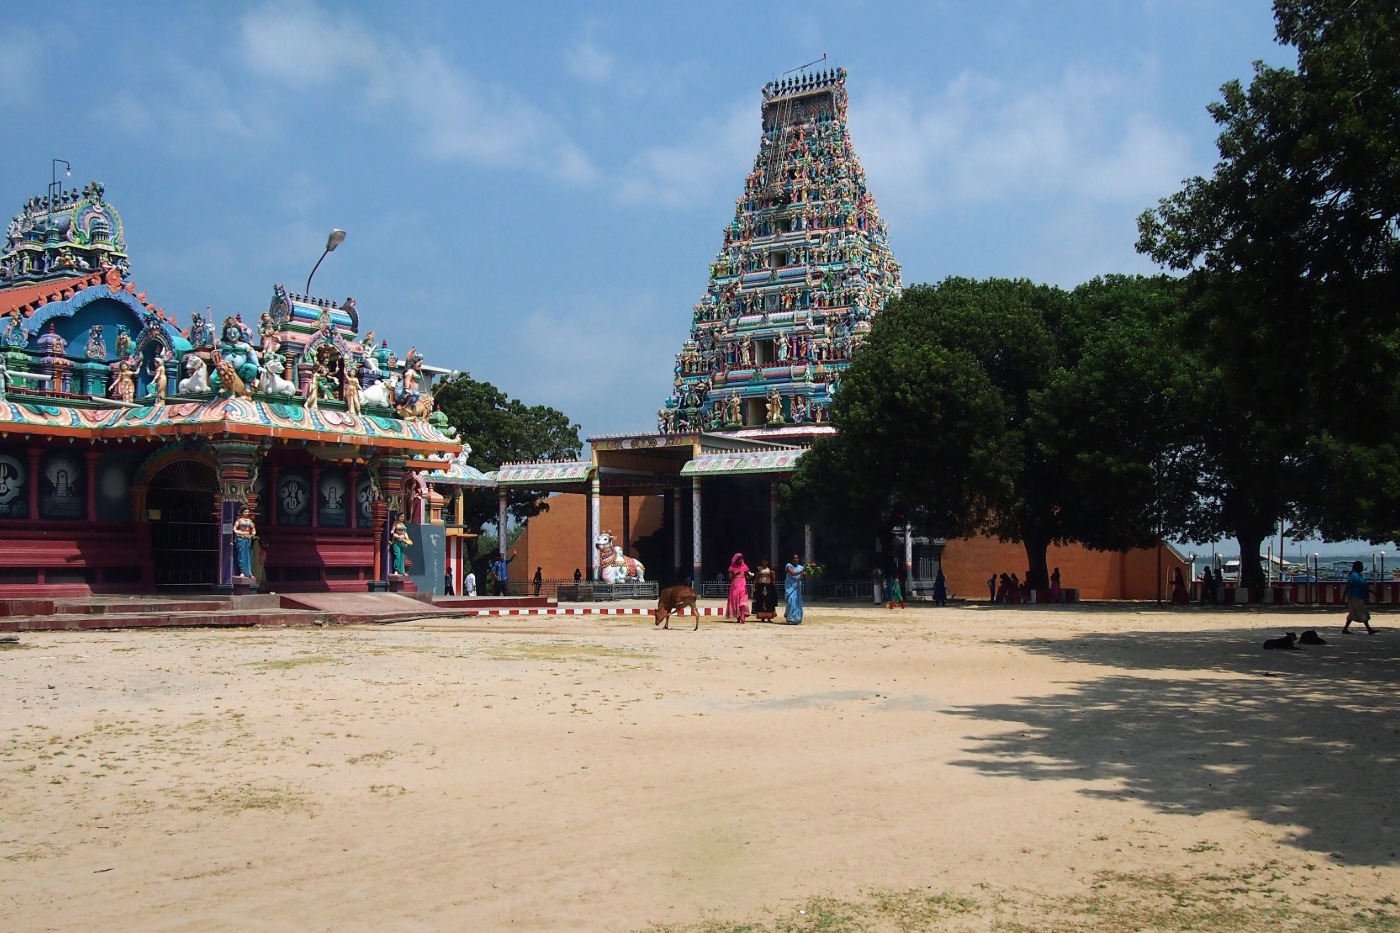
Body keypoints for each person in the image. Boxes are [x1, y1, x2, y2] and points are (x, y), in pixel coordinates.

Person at [1344, 560, 1375, 634]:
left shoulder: (1359, 575)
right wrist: (1343, 596)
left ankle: (1345, 629)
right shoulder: (1355, 575)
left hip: (1357, 596)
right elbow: (1348, 586)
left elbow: (1363, 586)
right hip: (1355, 596)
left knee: (1352, 613)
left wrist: (1372, 592)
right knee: (1362, 612)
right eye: (1361, 566)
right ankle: (1369, 629)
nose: (1362, 568)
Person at [727, 552, 751, 623]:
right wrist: (735, 574)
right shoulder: (732, 568)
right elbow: (730, 578)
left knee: (742, 601)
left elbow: (747, 577)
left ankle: (743, 615)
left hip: (742, 585)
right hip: (734, 586)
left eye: (741, 559)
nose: (741, 561)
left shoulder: (745, 567)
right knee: (735, 600)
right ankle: (738, 616)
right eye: (739, 559)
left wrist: (750, 576)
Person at [233, 506, 257, 578]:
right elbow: (234, 529)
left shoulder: (250, 521)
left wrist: (253, 533)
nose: (247, 513)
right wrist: (239, 533)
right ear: (242, 512)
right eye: (245, 512)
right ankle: (242, 571)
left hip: (248, 538)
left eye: (248, 512)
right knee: (242, 555)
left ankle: (249, 572)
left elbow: (253, 529)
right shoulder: (239, 520)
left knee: (248, 555)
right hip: (241, 538)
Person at [784, 554, 807, 623]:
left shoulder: (800, 567)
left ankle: (797, 618)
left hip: (797, 588)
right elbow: (793, 573)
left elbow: (804, 578)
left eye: (797, 558)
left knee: (797, 603)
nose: (796, 559)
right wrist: (802, 570)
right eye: (794, 558)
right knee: (791, 602)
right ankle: (790, 619)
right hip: (790, 587)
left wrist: (805, 574)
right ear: (791, 560)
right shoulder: (788, 566)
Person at [752, 557, 777, 622]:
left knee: (768, 601)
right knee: (761, 600)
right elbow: (756, 578)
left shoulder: (770, 569)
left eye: (766, 561)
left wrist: (773, 574)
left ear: (767, 562)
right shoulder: (759, 568)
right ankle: (762, 616)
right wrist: (754, 586)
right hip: (760, 586)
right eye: (763, 561)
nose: (764, 562)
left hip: (768, 586)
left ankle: (769, 617)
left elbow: (773, 578)